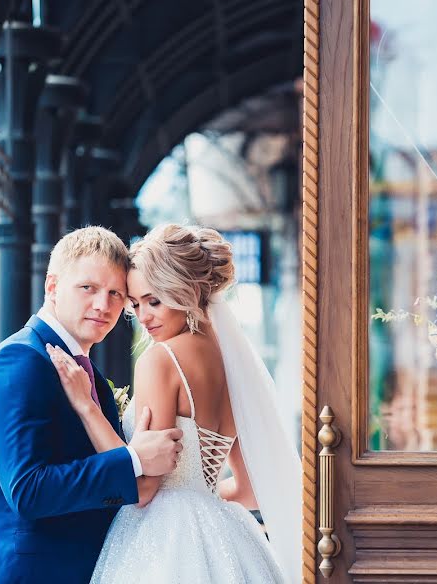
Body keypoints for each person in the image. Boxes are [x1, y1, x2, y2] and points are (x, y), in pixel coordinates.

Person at [47, 224, 301, 584]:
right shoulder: (233, 365)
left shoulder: (160, 360)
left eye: (155, 300)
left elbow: (143, 489)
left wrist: (87, 407)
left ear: (187, 292)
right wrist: (200, 501)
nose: (144, 317)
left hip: (162, 543)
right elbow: (247, 488)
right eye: (135, 305)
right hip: (231, 540)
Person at [0, 226, 185, 584]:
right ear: (52, 287)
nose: (104, 305)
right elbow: (28, 491)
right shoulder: (20, 361)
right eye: (88, 288)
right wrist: (134, 460)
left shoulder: (91, 377)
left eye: (116, 293)